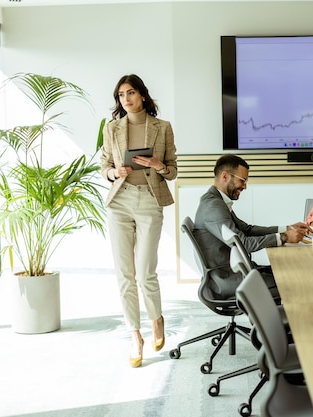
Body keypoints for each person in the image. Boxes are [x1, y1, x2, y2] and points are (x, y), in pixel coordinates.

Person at [100, 74, 178, 368]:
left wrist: (159, 165)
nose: (126, 99)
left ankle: (156, 319)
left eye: (131, 93)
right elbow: (104, 165)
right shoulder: (112, 129)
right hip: (119, 201)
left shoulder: (163, 128)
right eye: (121, 95)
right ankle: (135, 335)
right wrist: (114, 173)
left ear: (142, 95)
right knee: (124, 275)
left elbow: (173, 170)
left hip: (149, 200)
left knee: (145, 272)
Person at [193, 154, 312, 299]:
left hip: (232, 273)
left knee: (288, 271)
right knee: (297, 281)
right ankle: (276, 321)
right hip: (227, 280)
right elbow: (243, 243)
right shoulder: (213, 206)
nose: (245, 186)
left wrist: (286, 228)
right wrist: (284, 237)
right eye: (242, 180)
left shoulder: (216, 201)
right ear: (225, 176)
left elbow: (247, 230)